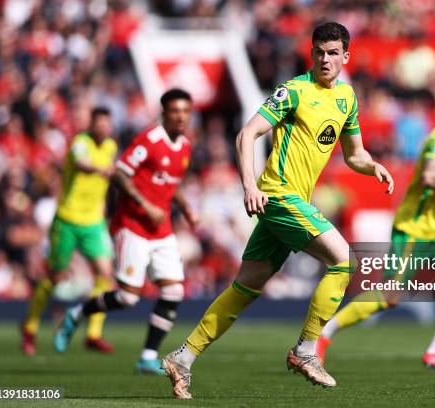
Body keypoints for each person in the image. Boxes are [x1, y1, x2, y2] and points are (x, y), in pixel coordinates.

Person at [161, 22, 394, 399]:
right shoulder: (294, 91)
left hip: (291, 202)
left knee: (245, 288)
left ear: (345, 57)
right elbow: (247, 134)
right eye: (319, 52)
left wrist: (374, 167)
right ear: (311, 53)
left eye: (333, 53)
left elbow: (354, 154)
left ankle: (183, 358)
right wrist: (250, 185)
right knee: (345, 261)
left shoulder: (347, 99)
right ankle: (306, 350)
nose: (325, 59)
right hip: (278, 195)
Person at [317, 85, 435, 373]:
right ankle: (323, 334)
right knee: (390, 296)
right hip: (412, 227)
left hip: (434, 228)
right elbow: (429, 176)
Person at [53, 89, 198, 375]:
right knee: (128, 298)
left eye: (185, 111)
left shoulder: (185, 146)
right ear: (164, 113)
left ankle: (147, 356)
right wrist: (145, 204)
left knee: (174, 290)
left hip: (162, 228)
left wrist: (187, 208)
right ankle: (77, 313)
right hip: (132, 225)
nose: (181, 117)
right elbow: (120, 173)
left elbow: (171, 183)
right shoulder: (149, 140)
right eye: (175, 111)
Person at [21, 107, 117, 356]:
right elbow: (81, 163)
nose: (104, 128)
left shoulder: (110, 147)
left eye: (107, 124)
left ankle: (93, 334)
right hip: (67, 220)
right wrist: (100, 169)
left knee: (105, 274)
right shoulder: (80, 143)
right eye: (100, 123)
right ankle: (30, 326)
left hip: (93, 222)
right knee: (56, 276)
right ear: (92, 124)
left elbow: (103, 186)